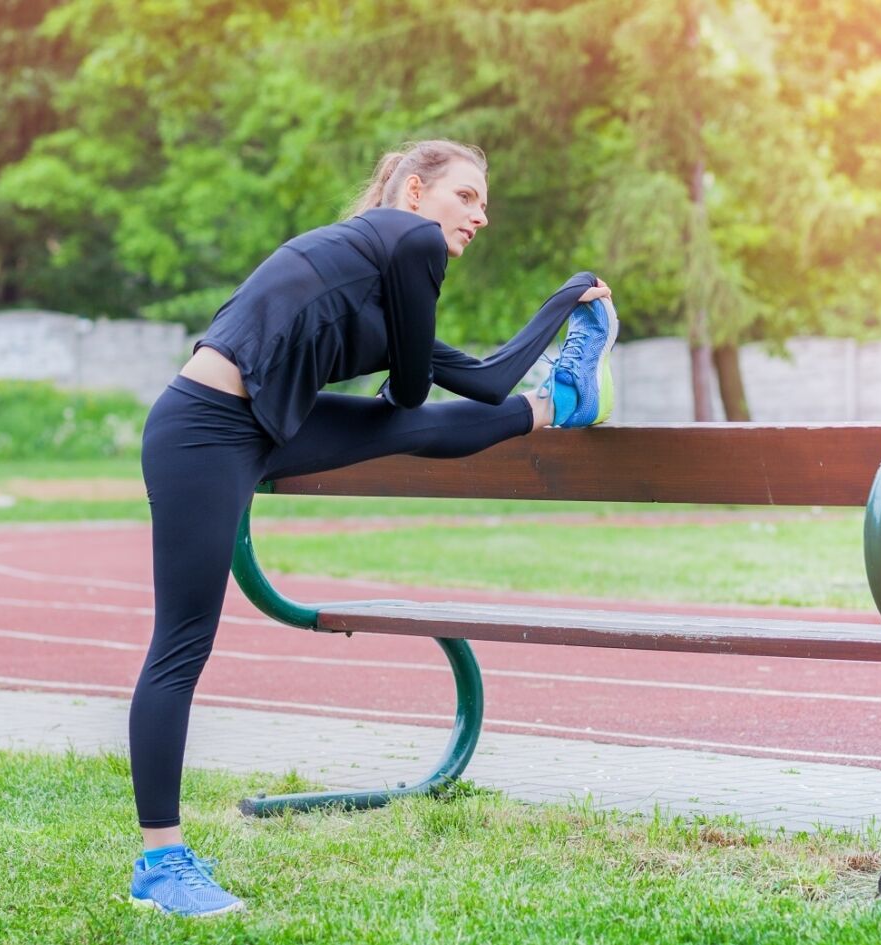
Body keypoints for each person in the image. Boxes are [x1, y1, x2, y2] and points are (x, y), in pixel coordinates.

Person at [126, 138, 617, 917]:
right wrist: (556, 300)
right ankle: (160, 862)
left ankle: (563, 399)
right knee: (182, 643)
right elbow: (413, 391)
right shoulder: (409, 240)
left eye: (485, 204)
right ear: (414, 191)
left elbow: (483, 380)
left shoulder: (384, 281)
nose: (480, 216)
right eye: (466, 196)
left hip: (260, 427)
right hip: (204, 429)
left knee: (417, 427)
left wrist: (562, 311)